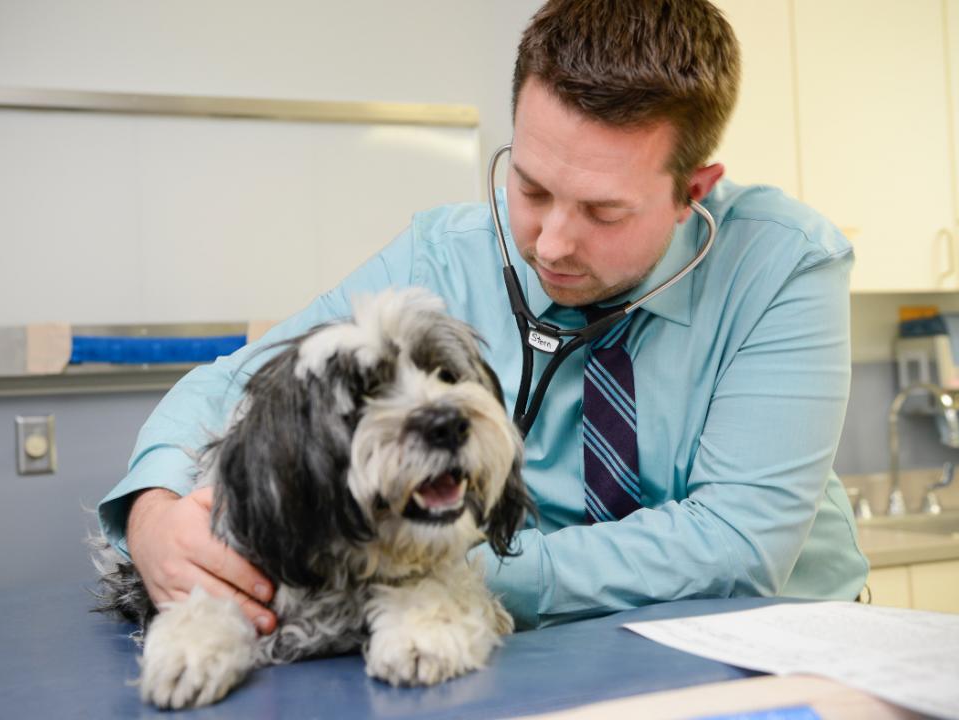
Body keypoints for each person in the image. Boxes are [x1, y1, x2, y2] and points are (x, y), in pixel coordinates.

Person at [98, 0, 868, 634]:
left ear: (692, 191)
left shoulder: (784, 263)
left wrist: (439, 566)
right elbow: (234, 385)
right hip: (551, 652)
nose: (554, 244)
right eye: (531, 188)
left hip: (775, 639)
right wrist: (154, 513)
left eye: (603, 210)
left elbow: (735, 543)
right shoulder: (444, 254)